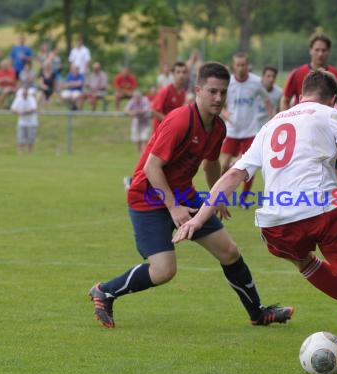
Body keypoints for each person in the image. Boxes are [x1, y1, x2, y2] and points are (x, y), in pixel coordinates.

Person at [173, 69, 337, 374]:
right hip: (323, 209)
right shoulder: (331, 115)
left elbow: (232, 176)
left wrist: (199, 218)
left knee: (304, 261)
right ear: (334, 100)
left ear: (299, 96)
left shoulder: (271, 125)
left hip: (276, 222)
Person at [89, 61, 293, 329]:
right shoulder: (179, 121)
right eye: (212, 91)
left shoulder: (218, 127)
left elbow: (210, 164)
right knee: (164, 271)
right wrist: (174, 208)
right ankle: (105, 291)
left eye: (223, 92)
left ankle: (257, 313)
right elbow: (152, 168)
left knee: (229, 252)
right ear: (198, 90)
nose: (218, 98)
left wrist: (215, 197)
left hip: (184, 196)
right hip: (148, 198)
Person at [281, 32, 337, 233]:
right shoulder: (297, 73)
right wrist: (284, 121)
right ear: (310, 51)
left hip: (331, 133)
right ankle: (298, 218)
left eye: (324, 50)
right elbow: (286, 99)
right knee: (304, 175)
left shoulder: (336, 75)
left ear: (328, 52)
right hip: (303, 135)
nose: (320, 53)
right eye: (317, 49)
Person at [124, 61, 190, 191]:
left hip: (171, 134)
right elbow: (154, 110)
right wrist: (170, 122)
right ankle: (132, 182)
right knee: (152, 163)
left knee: (166, 163)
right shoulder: (166, 91)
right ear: (173, 74)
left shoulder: (182, 93)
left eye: (184, 72)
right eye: (178, 72)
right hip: (160, 134)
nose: (181, 75)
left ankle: (156, 187)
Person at [219, 52, 273, 205]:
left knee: (249, 165)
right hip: (232, 130)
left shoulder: (256, 82)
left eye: (244, 65)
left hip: (250, 131)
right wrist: (224, 112)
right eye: (238, 65)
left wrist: (272, 119)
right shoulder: (228, 82)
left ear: (247, 65)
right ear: (233, 66)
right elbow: (218, 101)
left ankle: (243, 199)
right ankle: (220, 195)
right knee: (224, 164)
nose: (241, 68)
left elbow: (267, 101)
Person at [11, 86, 38, 154]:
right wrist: (18, 112)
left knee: (31, 138)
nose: (24, 94)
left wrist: (25, 112)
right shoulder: (18, 99)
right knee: (20, 138)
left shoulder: (31, 99)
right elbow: (13, 108)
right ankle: (21, 152)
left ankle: (30, 152)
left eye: (26, 92)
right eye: (23, 93)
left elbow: (34, 108)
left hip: (32, 122)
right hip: (22, 122)